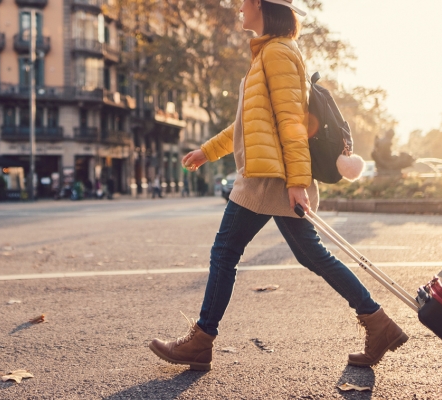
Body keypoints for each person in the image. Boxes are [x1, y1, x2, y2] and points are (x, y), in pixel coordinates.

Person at [148, 0, 407, 372]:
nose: (238, 8)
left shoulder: (278, 53)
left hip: (270, 179)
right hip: (270, 176)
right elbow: (248, 124)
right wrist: (209, 151)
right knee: (309, 255)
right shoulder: (269, 53)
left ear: (258, 5)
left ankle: (201, 341)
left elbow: (291, 121)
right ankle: (378, 323)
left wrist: (298, 181)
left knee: (225, 252)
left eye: (242, 3)